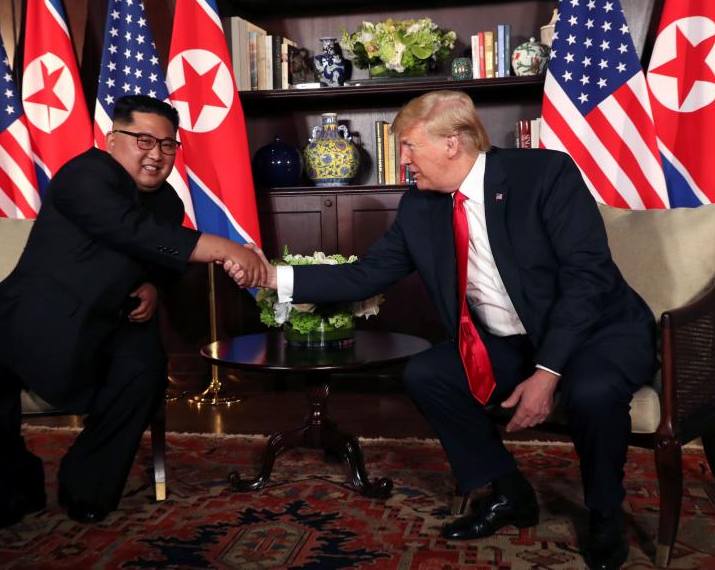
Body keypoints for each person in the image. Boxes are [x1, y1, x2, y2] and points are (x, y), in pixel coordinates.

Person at [232, 91, 654, 570]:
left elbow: (587, 280)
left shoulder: (544, 175)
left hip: (599, 330)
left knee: (593, 392)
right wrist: (272, 276)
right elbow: (364, 275)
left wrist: (548, 371)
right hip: (511, 338)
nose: (403, 159)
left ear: (453, 143)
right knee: (429, 373)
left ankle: (604, 513)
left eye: (409, 146)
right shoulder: (420, 207)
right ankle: (508, 490)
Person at [0, 95, 265, 530]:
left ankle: (87, 486)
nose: (156, 154)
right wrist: (229, 249)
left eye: (168, 145)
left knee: (143, 374)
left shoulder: (168, 202)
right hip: (32, 312)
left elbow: (155, 255)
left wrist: (154, 287)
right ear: (111, 139)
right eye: (143, 139)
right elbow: (129, 228)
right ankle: (9, 489)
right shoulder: (83, 175)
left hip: (115, 320)